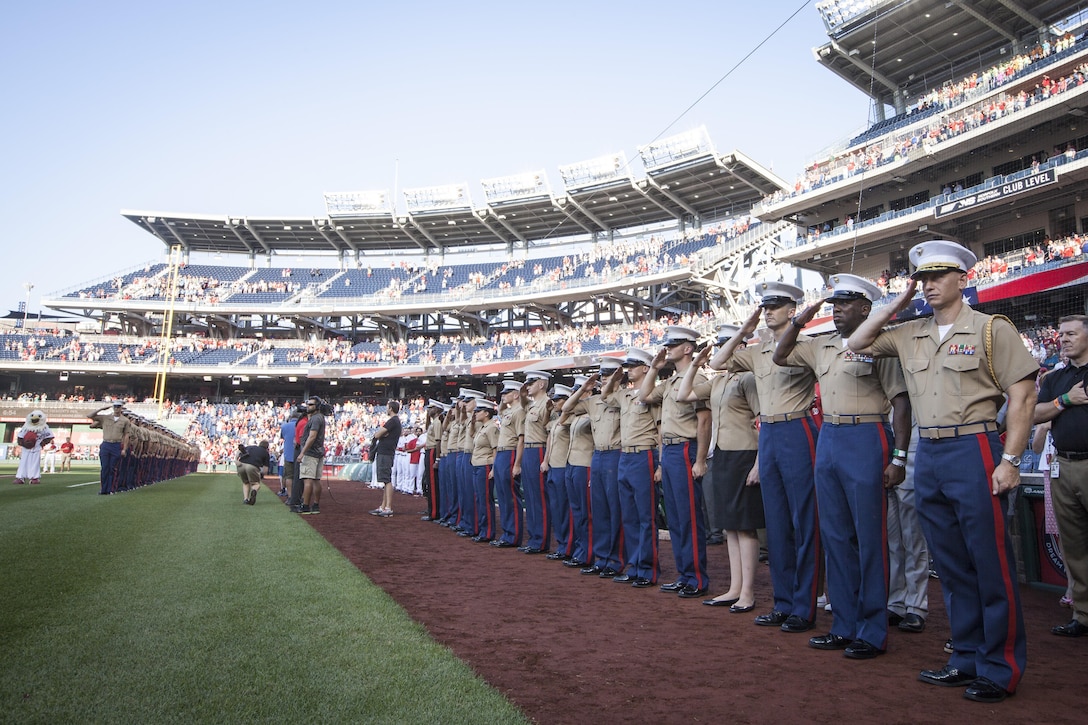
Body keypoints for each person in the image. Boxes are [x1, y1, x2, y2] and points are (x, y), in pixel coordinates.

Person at [849, 239, 1037, 703]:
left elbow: (1024, 396)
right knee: (950, 566)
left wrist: (1010, 460)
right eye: (921, 278)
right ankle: (967, 656)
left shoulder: (992, 329)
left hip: (974, 446)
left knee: (989, 563)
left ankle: (1001, 666)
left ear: (962, 278)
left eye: (937, 276)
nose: (928, 284)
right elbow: (857, 341)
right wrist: (895, 303)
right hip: (926, 453)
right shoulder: (909, 331)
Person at [774, 274, 912, 659]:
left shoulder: (878, 346)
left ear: (866, 308)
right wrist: (800, 321)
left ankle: (871, 630)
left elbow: (901, 403)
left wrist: (899, 458)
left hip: (867, 437)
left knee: (869, 539)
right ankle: (844, 624)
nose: (836, 311)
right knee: (834, 537)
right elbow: (780, 356)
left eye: (845, 305)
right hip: (830, 437)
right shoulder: (820, 346)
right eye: (834, 305)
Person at [709, 282, 820, 632]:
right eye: (765, 306)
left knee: (803, 521)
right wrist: (744, 329)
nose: (768, 311)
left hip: (797, 427)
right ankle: (783, 602)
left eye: (776, 305)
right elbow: (717, 360)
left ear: (793, 310)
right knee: (776, 524)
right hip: (769, 432)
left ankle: (804, 606)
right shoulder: (756, 351)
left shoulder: (807, 345)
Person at [684, 326, 762, 612]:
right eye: (721, 346)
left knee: (745, 526)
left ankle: (748, 592)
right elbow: (685, 393)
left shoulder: (748, 378)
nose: (724, 350)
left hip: (745, 454)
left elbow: (761, 421)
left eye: (730, 345)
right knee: (731, 526)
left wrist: (759, 463)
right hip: (725, 455)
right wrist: (695, 363)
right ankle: (734, 587)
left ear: (743, 347)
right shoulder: (719, 381)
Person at [638, 325, 712, 598]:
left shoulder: (698, 378)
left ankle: (696, 579)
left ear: (688, 348)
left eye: (673, 344)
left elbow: (704, 421)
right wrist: (655, 369)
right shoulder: (669, 382)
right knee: (677, 517)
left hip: (684, 449)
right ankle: (685, 574)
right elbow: (644, 396)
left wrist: (701, 459)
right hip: (669, 452)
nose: (667, 348)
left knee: (689, 517)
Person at [1032, 314, 1088, 638]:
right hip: (1063, 465)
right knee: (1075, 547)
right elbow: (1036, 414)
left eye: (1071, 334)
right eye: (1061, 334)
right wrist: (1066, 400)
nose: (1063, 339)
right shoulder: (1055, 378)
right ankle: (1082, 616)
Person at [603, 347, 662, 587]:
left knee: (646, 516)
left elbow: (660, 430)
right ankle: (635, 565)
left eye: (632, 366)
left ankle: (648, 569)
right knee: (629, 516)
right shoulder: (625, 395)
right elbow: (605, 397)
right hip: (625, 457)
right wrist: (615, 379)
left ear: (646, 368)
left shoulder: (653, 394)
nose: (627, 370)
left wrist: (661, 465)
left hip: (644, 455)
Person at [519, 371, 553, 554]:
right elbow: (521, 401)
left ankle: (541, 540)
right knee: (530, 498)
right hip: (529, 451)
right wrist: (523, 392)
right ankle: (534, 538)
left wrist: (546, 459)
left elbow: (549, 434)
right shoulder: (531, 405)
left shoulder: (547, 404)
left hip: (539, 448)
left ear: (541, 384)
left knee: (539, 498)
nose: (527, 385)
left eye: (531, 382)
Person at [491, 382, 526, 547]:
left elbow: (521, 439)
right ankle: (507, 533)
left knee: (511, 496)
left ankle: (514, 535)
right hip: (502, 452)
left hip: (510, 452)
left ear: (516, 394)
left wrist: (517, 463)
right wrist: (504, 400)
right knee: (504, 496)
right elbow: (499, 409)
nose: (503, 396)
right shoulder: (508, 411)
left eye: (507, 393)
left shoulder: (519, 411)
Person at [468, 399, 500, 543]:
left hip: (485, 465)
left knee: (485, 499)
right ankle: (483, 529)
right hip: (477, 464)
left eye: (478, 411)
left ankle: (487, 532)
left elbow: (495, 449)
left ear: (486, 413)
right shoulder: (482, 427)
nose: (475, 414)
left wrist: (493, 469)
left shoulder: (491, 427)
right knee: (479, 498)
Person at [89, 401, 131, 495]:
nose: (116, 408)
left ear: (121, 408)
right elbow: (90, 415)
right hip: (106, 444)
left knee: (112, 468)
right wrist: (102, 409)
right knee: (105, 468)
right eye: (115, 406)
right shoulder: (106, 417)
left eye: (118, 407)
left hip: (116, 445)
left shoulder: (125, 421)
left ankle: (111, 489)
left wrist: (124, 449)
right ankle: (104, 489)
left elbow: (126, 435)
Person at [370, 399, 402, 517]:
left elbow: (377, 434)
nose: (386, 409)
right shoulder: (394, 421)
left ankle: (388, 508)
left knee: (387, 480)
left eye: (387, 407)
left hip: (386, 452)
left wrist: (382, 434)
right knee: (385, 480)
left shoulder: (393, 421)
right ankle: (383, 506)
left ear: (391, 409)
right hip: (386, 452)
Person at [297, 397, 328, 515]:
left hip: (310, 453)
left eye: (310, 405)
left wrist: (302, 452)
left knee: (308, 479)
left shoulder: (315, 419)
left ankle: (305, 505)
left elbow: (312, 436)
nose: (308, 407)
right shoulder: (320, 417)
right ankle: (315, 505)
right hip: (318, 452)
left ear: (317, 407)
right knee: (316, 479)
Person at [14, 410, 54, 485]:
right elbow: (20, 436)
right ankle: (20, 477)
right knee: (23, 462)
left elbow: (50, 436)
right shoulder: (26, 426)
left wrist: (43, 443)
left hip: (36, 447)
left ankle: (34, 478)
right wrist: (23, 443)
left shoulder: (44, 427)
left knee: (35, 463)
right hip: (26, 448)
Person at [236, 440, 271, 505]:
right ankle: (254, 490)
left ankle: (246, 499)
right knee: (256, 484)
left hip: (241, 464)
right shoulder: (265, 453)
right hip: (252, 466)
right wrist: (261, 474)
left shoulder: (250, 447)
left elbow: (239, 451)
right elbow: (265, 470)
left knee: (245, 482)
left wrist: (236, 459)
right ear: (267, 447)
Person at [279, 407, 300, 499]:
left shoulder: (284, 426)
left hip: (288, 455)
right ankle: (299, 496)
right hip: (300, 454)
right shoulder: (302, 425)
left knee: (289, 477)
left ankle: (290, 497)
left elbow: (283, 437)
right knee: (299, 477)